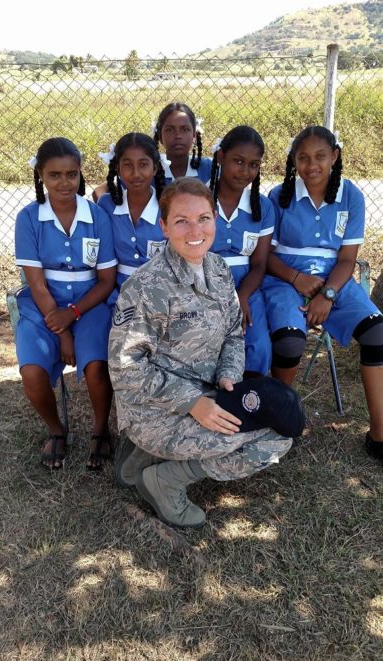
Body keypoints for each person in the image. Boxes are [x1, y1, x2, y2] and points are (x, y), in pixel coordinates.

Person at [109, 178, 304, 529]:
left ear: (216, 220)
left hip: (210, 391)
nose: (195, 230)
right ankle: (166, 479)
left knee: (280, 419)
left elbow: (233, 331)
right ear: (164, 226)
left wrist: (229, 374)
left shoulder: (218, 269)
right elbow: (126, 368)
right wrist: (192, 403)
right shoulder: (146, 286)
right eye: (182, 221)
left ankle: (143, 458)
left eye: (204, 218)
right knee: (275, 440)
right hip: (155, 409)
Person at [262, 125, 383, 462]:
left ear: (335, 156)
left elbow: (347, 259)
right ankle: (281, 424)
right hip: (285, 279)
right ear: (293, 160)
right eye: (302, 158)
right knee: (288, 341)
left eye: (319, 156)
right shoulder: (279, 196)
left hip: (335, 280)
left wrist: (327, 295)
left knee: (377, 334)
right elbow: (265, 257)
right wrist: (296, 278)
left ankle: (379, 434)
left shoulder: (351, 195)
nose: (311, 165)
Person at [15, 137, 117, 470]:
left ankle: (100, 430)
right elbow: (37, 284)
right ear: (41, 176)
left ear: (80, 174)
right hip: (44, 305)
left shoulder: (97, 216)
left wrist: (73, 314)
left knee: (96, 367)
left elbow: (106, 281)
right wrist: (61, 331)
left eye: (72, 174)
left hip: (88, 302)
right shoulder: (29, 218)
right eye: (54, 175)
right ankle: (56, 430)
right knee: (31, 371)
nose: (64, 182)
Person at [209, 125, 273, 376]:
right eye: (238, 161)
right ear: (220, 157)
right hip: (203, 286)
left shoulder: (263, 207)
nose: (245, 171)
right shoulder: (198, 198)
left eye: (253, 165)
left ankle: (249, 403)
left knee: (258, 347)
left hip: (246, 287)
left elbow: (259, 265)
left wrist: (242, 297)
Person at [97, 133, 166, 307]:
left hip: (164, 295)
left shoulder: (169, 205)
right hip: (119, 296)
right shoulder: (106, 205)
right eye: (128, 165)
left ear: (155, 167)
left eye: (143, 165)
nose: (136, 173)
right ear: (118, 169)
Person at [152, 102, 212, 184]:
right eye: (170, 130)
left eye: (185, 129)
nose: (178, 136)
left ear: (194, 134)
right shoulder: (148, 172)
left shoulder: (209, 168)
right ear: (160, 135)